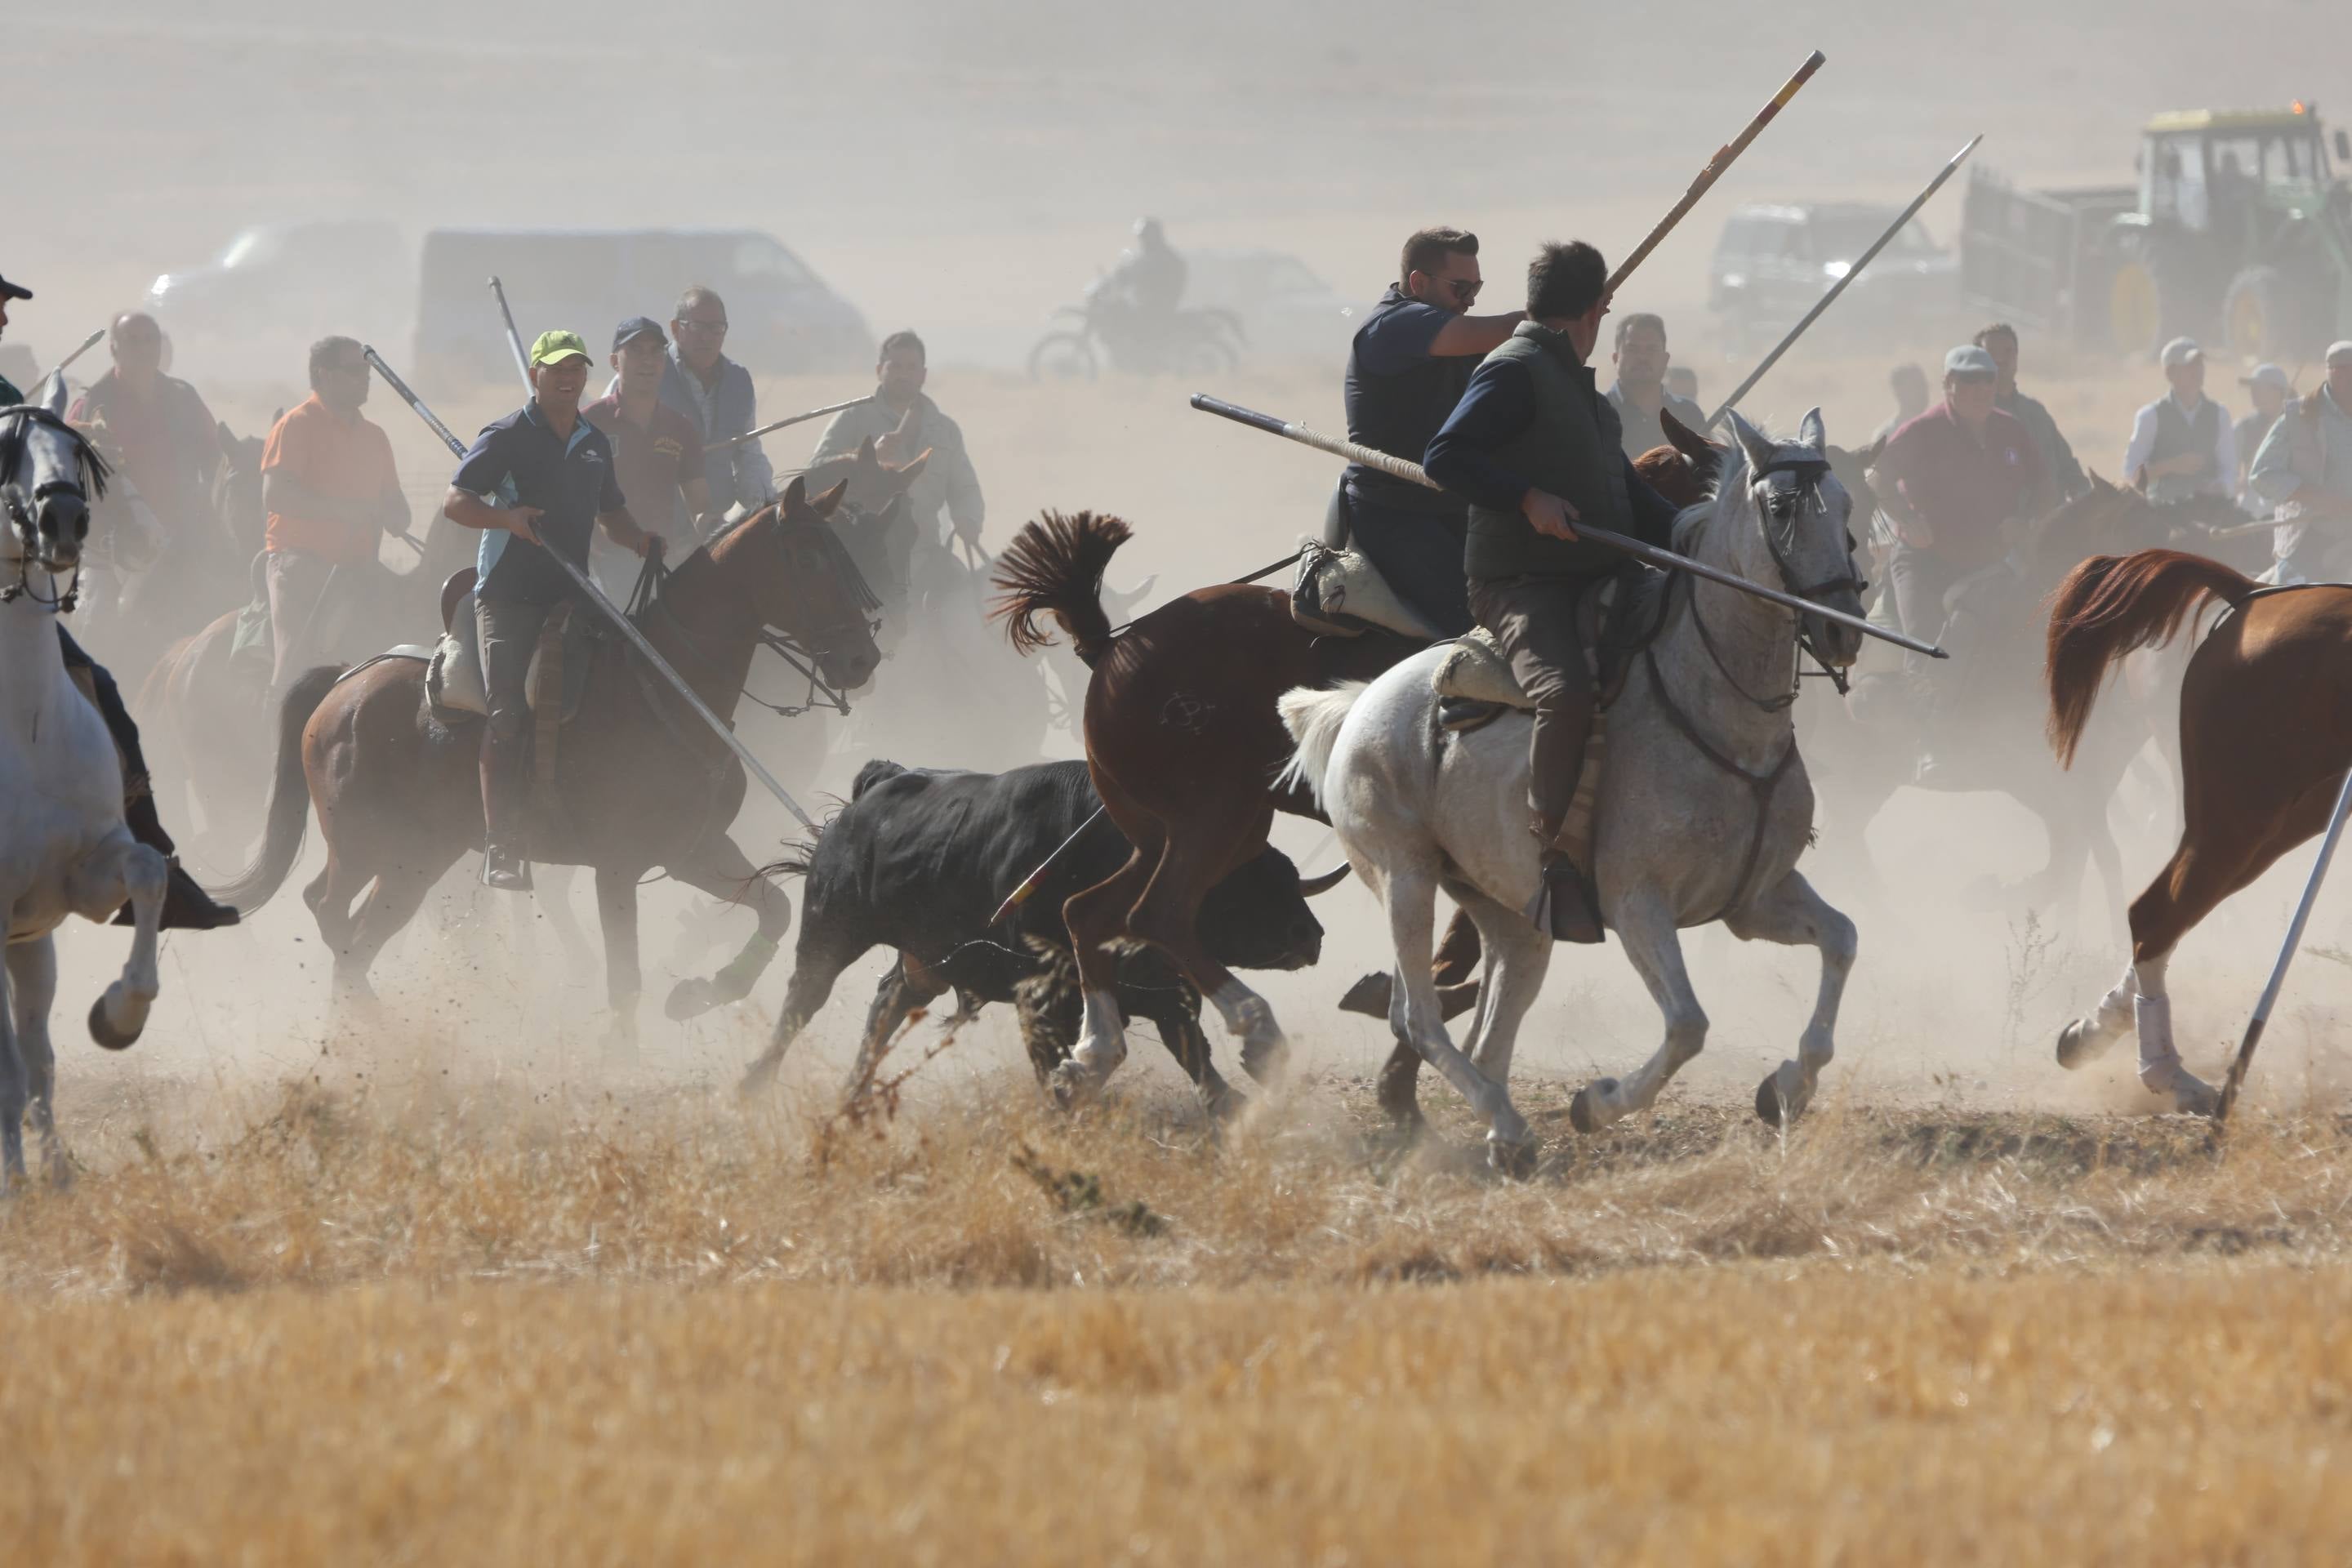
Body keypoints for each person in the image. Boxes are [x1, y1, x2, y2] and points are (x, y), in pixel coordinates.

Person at [1423, 240, 1682, 942]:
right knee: (1565, 692)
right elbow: (1445, 455)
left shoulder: (1587, 399)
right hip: (1521, 581)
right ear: (1597, 310)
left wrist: (1700, 533)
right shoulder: (1513, 369)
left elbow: (1631, 499)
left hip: (1599, 574)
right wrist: (1527, 498)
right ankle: (1553, 853)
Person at [0, 273, 235, 929]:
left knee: (99, 685)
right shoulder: (87, 400)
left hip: (28, 588)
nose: (4, 320)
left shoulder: (10, 400)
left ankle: (149, 851)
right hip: (103, 564)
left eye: (4, 308)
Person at [444, 330, 659, 891]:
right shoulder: (506, 436)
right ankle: (502, 845)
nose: (568, 378)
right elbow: (456, 502)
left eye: (576, 369)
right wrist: (507, 519)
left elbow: (612, 514)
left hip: (573, 592)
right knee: (508, 712)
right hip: (508, 594)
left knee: (624, 680)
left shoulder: (593, 442)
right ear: (536, 373)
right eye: (557, 368)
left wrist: (639, 539)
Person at [1339, 225, 1526, 638]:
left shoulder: (1452, 333)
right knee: (1476, 627)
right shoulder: (1393, 326)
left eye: (1476, 287)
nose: (1470, 300)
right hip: (1394, 512)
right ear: (1418, 283)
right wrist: (1558, 314)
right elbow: (1504, 331)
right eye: (1461, 288)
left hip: (1454, 505)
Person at [1869, 344, 2046, 778]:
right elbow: (1876, 477)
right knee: (1925, 641)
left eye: (1987, 380)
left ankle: (2022, 733)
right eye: (1968, 381)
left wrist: (2025, 520)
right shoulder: (1922, 431)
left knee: (2028, 633)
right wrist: (1907, 518)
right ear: (1947, 384)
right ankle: (1928, 743)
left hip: (1988, 564)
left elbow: (2044, 482)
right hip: (1924, 561)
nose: (1980, 389)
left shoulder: (2010, 430)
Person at [259, 336, 410, 697]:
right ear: (323, 375)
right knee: (296, 661)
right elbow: (275, 496)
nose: (365, 378)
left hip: (360, 566)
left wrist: (395, 517)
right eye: (355, 370)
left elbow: (399, 507)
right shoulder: (295, 425)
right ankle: (275, 715)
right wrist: (345, 510)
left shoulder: (375, 436)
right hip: (299, 563)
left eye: (367, 371)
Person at [809, 330, 984, 601]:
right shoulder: (855, 417)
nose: (904, 374)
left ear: (923, 375)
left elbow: (965, 487)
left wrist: (969, 519)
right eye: (896, 366)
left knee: (969, 603)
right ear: (879, 370)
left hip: (926, 553)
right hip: (863, 555)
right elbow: (816, 472)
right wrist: (861, 459)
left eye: (912, 368)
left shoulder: (945, 430)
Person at [584, 317, 717, 586]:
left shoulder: (680, 427)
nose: (647, 360)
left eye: (656, 351)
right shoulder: (589, 424)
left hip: (661, 565)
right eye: (635, 351)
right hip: (600, 570)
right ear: (614, 361)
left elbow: (700, 507)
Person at [657, 286, 774, 521]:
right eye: (697, 327)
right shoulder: (649, 371)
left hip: (716, 521)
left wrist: (765, 505)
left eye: (716, 328)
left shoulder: (738, 382)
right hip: (657, 520)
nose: (707, 337)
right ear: (675, 329)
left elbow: (748, 453)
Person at [2248, 342, 2352, 584]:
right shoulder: (2299, 416)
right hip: (2308, 538)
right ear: (2333, 372)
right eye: (2345, 371)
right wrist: (2316, 497)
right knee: (2296, 595)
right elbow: (2261, 474)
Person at [1975, 322, 2084, 516]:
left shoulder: (2036, 412)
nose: (2001, 359)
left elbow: (2069, 467)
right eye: (1992, 353)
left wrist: (2084, 499)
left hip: (2052, 524)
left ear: (2017, 358)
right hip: (2003, 528)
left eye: (2008, 352)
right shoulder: (1973, 417)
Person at [2121, 336, 2235, 504]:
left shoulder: (2220, 414)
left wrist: (2219, 487)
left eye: (2199, 364)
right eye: (2189, 365)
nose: (2197, 370)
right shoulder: (2150, 416)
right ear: (2170, 373)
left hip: (2211, 510)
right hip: (2164, 512)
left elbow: (2229, 471)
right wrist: (2170, 466)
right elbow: (2131, 474)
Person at [1605, 313, 1708, 460]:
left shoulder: (1689, 414)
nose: (1642, 357)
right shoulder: (1596, 413)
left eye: (1651, 349)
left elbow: (1709, 470)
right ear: (1616, 358)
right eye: (1632, 349)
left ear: (1665, 360)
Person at [2234, 363, 2293, 503]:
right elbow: (2231, 469)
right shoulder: (2242, 427)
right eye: (2252, 387)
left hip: (2286, 498)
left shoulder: (2297, 426)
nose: (2252, 392)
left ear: (2277, 392)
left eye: (2258, 387)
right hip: (2251, 499)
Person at [1872, 363, 1929, 445]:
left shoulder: (1939, 428)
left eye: (1924, 386)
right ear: (1899, 392)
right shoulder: (1885, 436)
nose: (1922, 392)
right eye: (1916, 387)